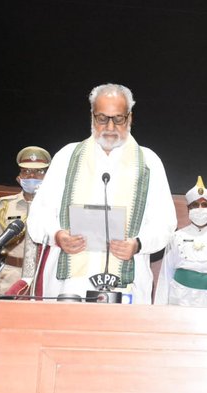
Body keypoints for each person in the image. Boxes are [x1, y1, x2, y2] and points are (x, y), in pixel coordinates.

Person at [27, 83, 177, 304]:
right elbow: (38, 217)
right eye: (102, 118)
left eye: (118, 119)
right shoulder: (67, 157)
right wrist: (58, 236)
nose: (110, 126)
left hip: (126, 284)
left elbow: (165, 224)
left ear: (130, 118)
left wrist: (138, 243)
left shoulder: (148, 162)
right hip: (70, 284)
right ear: (91, 116)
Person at [154, 176, 207, 307]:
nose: (200, 208)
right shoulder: (175, 237)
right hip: (179, 300)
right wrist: (159, 309)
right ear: (188, 209)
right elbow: (166, 275)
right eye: (195, 205)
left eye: (204, 205)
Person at [0, 146, 51, 294]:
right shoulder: (5, 205)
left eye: (38, 172)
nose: (31, 176)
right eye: (26, 171)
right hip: (11, 275)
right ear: (19, 177)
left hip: (44, 275)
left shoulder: (56, 207)